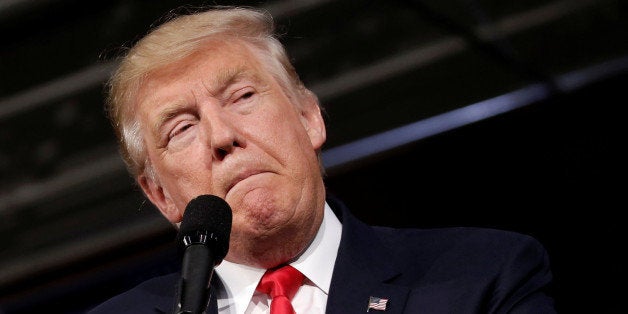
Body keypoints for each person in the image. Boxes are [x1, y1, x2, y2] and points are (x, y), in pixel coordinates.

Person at [88, 5, 556, 314]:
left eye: (243, 96)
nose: (222, 136)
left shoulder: (482, 276)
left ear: (309, 116)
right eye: (182, 128)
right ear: (161, 195)